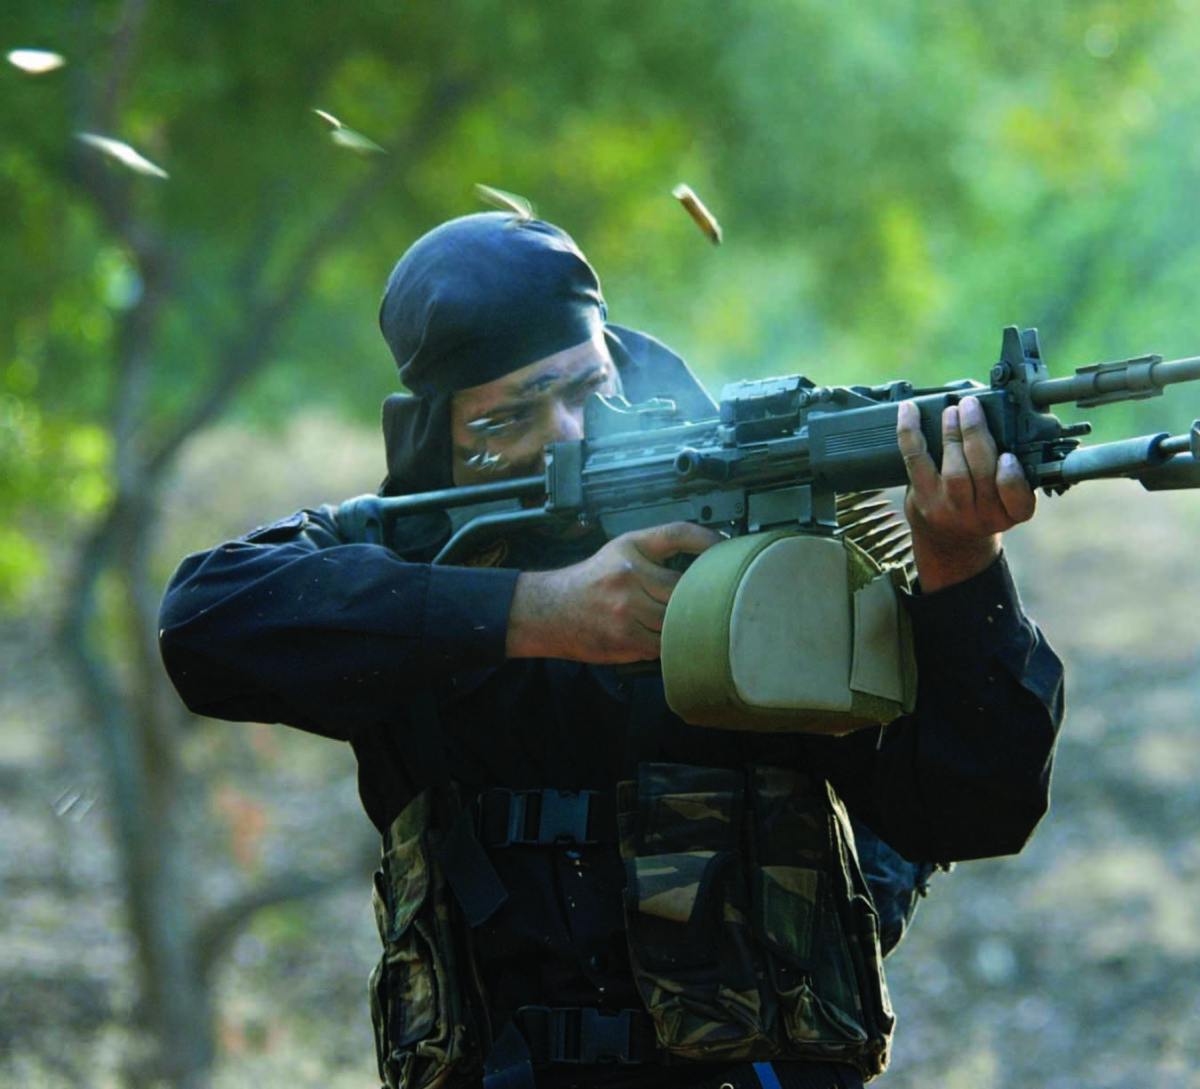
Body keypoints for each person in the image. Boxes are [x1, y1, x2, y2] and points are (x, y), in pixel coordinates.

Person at [159, 212, 1065, 1089]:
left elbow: (975, 808)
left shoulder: (748, 533)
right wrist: (537, 610)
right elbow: (201, 622)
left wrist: (960, 562)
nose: (569, 434)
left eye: (585, 388)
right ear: (440, 436)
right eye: (508, 419)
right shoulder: (407, 555)